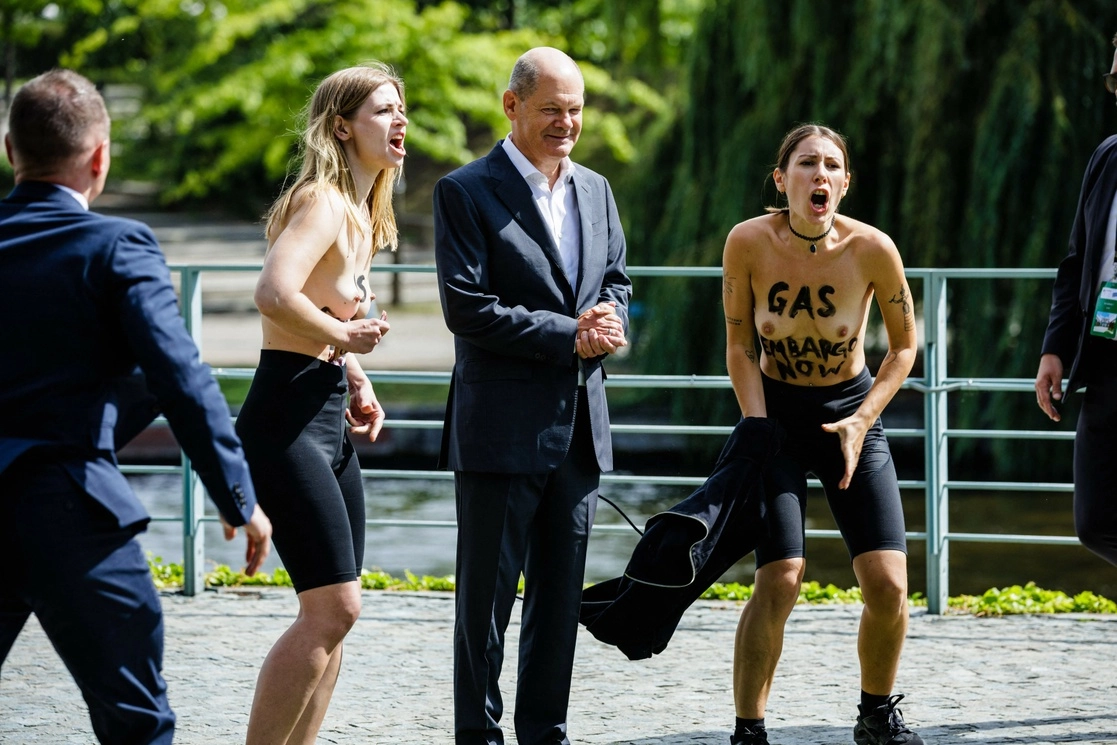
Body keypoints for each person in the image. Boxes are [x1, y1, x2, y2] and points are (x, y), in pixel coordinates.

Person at [0, 69, 272, 745]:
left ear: (10, 150)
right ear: (100, 157)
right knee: (136, 723)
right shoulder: (116, 245)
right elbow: (180, 374)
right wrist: (236, 496)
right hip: (71, 509)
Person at [433, 46, 632, 745]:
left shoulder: (597, 190)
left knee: (557, 602)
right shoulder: (464, 190)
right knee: (484, 605)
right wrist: (568, 334)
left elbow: (614, 279)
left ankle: (545, 731)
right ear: (511, 105)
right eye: (551, 109)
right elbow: (467, 308)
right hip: (498, 430)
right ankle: (478, 736)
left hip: (579, 429)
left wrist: (610, 318)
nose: (565, 122)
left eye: (574, 109)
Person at [721, 124, 923, 745]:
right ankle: (748, 728)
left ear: (844, 182)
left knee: (888, 585)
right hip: (774, 415)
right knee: (779, 578)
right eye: (806, 164)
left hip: (850, 413)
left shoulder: (873, 249)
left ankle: (875, 715)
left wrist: (863, 420)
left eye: (832, 165)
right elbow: (739, 344)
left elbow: (905, 345)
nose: (820, 175)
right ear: (782, 180)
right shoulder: (747, 242)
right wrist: (756, 428)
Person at [235, 63, 404, 745]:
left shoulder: (362, 216)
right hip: (285, 417)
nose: (401, 123)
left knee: (338, 611)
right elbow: (273, 294)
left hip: (325, 409)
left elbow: (316, 306)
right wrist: (343, 333)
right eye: (383, 111)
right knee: (331, 608)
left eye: (401, 110)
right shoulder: (323, 202)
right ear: (342, 126)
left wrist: (354, 371)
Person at [1036, 32, 1117, 570]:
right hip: (1107, 357)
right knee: (1095, 520)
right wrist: (1054, 349)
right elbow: (1076, 262)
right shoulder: (1108, 156)